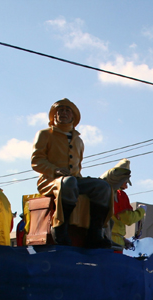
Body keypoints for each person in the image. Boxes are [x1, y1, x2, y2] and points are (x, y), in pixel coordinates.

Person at [31, 98, 126, 248]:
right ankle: (61, 228)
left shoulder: (79, 141)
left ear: (73, 117)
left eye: (67, 110)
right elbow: (36, 161)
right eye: (60, 110)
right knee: (68, 183)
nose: (63, 113)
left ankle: (95, 233)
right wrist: (54, 170)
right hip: (50, 181)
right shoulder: (44, 134)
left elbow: (77, 168)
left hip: (73, 180)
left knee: (103, 187)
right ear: (54, 115)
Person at [111, 179, 146, 249]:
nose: (126, 187)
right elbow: (128, 219)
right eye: (125, 182)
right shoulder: (119, 194)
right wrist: (141, 211)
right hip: (113, 243)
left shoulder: (101, 193)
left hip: (98, 238)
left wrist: (123, 240)